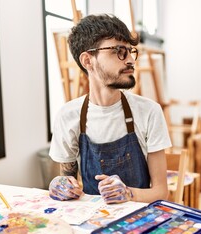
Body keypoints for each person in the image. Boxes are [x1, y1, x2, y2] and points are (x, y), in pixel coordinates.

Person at [48, 14, 172, 204]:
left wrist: (129, 194)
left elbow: (161, 192)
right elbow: (68, 180)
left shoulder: (149, 112)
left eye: (130, 51)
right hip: (93, 219)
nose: (130, 60)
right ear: (88, 61)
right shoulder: (68, 116)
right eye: (119, 51)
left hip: (139, 218)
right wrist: (61, 185)